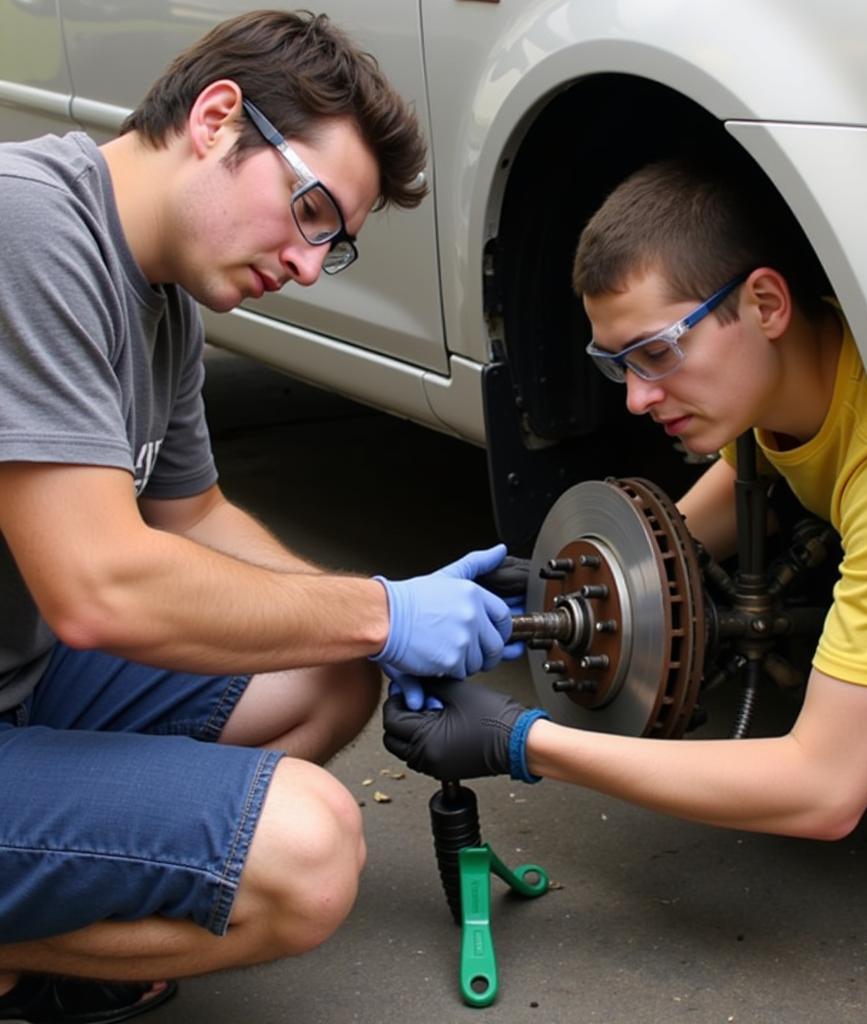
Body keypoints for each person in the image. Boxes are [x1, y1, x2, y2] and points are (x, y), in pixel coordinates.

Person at [0, 10, 521, 1023]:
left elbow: (192, 519)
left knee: (327, 669)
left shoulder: (160, 298)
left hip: (19, 683)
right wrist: (380, 614)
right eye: (313, 210)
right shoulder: (27, 227)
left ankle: (85, 877)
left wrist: (376, 608)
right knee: (307, 854)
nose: (309, 262)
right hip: (43, 654)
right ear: (216, 118)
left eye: (337, 243)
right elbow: (99, 586)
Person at [383, 155, 867, 845]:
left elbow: (825, 789)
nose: (635, 398)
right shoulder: (785, 377)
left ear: (766, 304)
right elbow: (712, 516)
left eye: (656, 352)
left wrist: (521, 744)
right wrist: (588, 588)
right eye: (618, 364)